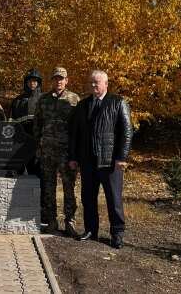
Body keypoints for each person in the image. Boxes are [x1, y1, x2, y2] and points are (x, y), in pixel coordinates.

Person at [68, 70, 133, 249]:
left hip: (110, 161)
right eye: (91, 83)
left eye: (97, 82)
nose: (93, 86)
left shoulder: (118, 102)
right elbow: (74, 134)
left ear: (106, 84)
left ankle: (117, 234)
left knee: (114, 199)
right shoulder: (82, 105)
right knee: (88, 198)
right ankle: (91, 230)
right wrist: (73, 157)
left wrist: (121, 157)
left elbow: (127, 132)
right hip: (87, 161)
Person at [34, 67, 80, 235]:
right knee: (48, 187)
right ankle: (51, 221)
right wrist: (38, 145)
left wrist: (76, 152)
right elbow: (37, 124)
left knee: (69, 187)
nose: (58, 81)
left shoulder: (74, 99)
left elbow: (79, 127)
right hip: (47, 151)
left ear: (66, 80)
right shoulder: (43, 100)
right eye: (55, 78)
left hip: (66, 152)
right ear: (52, 81)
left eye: (61, 78)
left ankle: (70, 222)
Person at [10, 69, 43, 175]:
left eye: (34, 81)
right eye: (29, 81)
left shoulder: (44, 99)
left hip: (38, 140)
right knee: (19, 170)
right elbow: (12, 121)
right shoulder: (18, 100)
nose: (32, 83)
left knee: (36, 171)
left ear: (38, 83)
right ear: (26, 83)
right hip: (21, 141)